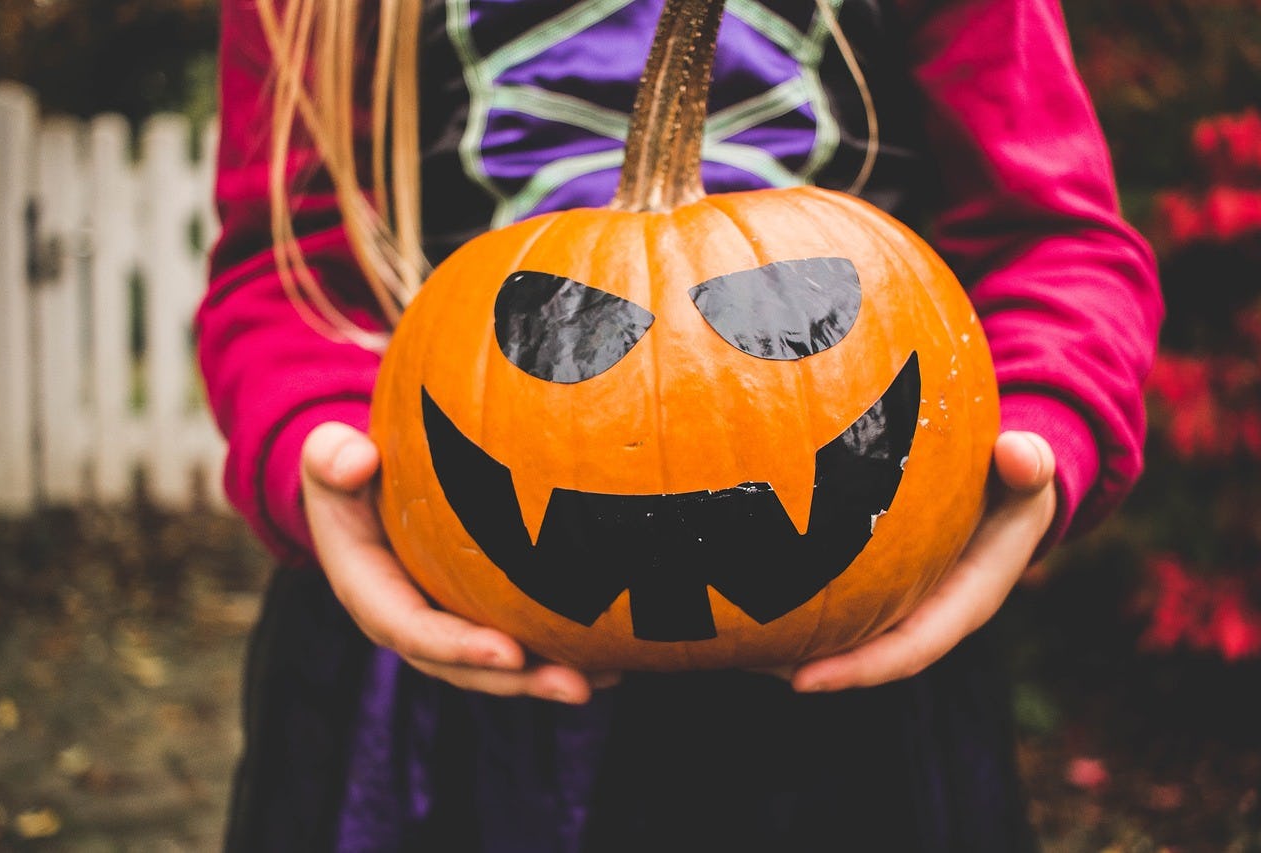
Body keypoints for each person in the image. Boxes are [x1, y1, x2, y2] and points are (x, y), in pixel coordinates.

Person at [198, 0, 1162, 849]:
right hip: (437, 645)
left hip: (860, 643)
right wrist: (314, 447)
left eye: (788, 317)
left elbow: (1055, 238)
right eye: (559, 332)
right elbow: (284, 270)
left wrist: (1042, 426)